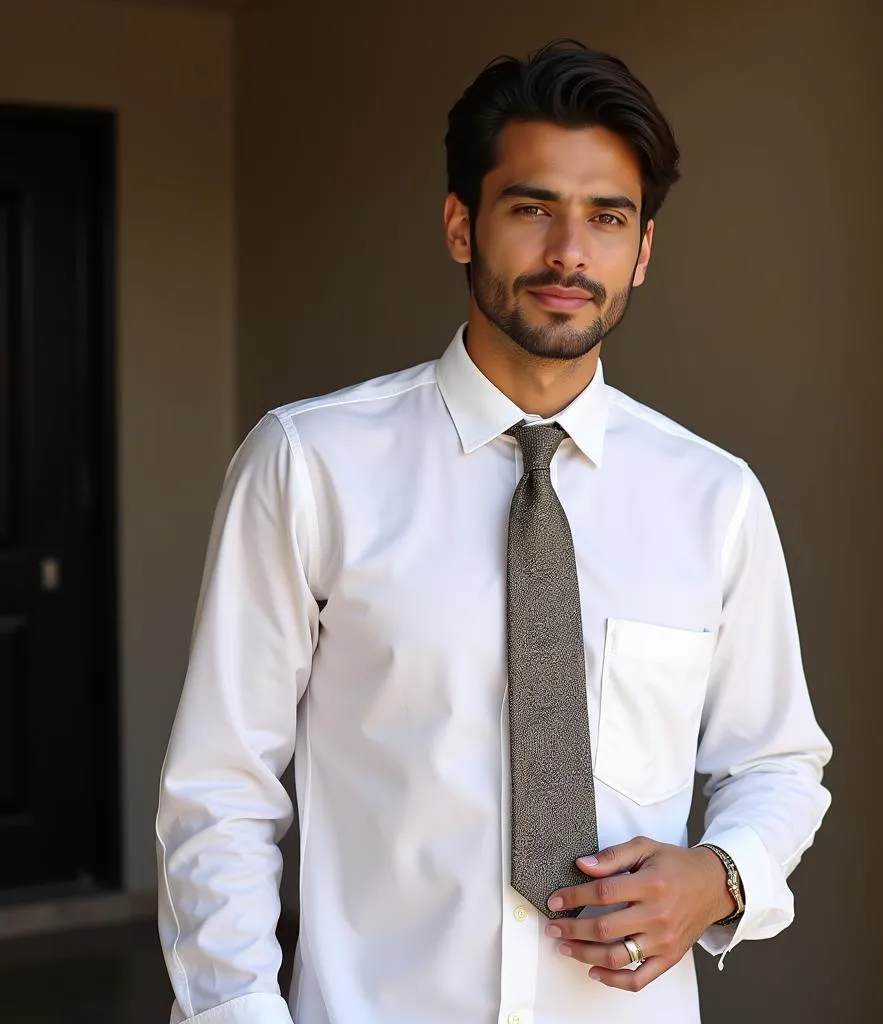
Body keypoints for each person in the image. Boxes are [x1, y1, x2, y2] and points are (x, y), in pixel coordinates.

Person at [156, 40, 832, 1024]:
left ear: (642, 251)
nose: (568, 252)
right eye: (532, 208)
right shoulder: (309, 463)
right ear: (460, 225)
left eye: (607, 218)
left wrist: (722, 874)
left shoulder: (712, 496)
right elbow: (221, 791)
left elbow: (775, 760)